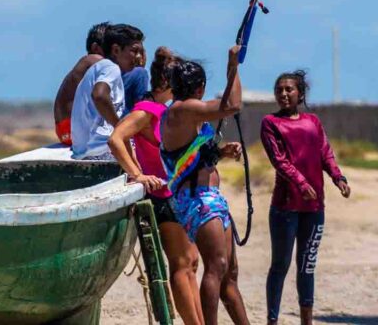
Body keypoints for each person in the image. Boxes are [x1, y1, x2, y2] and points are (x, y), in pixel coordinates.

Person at [107, 47, 204, 325]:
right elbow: (116, 139)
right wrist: (137, 174)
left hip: (177, 193)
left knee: (191, 263)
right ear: (168, 81)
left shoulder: (166, 110)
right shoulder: (147, 109)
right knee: (182, 264)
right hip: (162, 196)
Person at [161, 48, 250, 325]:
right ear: (199, 88)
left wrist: (220, 153)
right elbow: (232, 105)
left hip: (211, 198)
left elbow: (192, 153)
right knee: (216, 267)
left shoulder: (186, 113)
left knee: (229, 273)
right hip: (197, 200)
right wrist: (233, 65)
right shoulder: (183, 109)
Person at [261, 70, 350, 325]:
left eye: (289, 89)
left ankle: (306, 320)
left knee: (307, 266)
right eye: (279, 90)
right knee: (280, 265)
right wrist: (300, 183)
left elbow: (325, 153)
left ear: (300, 93)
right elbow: (279, 160)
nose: (284, 94)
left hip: (314, 208)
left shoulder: (313, 121)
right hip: (285, 207)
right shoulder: (270, 123)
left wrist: (338, 177)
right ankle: (272, 320)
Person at [69, 24, 145, 160]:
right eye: (134, 51)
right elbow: (99, 95)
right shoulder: (111, 68)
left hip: (85, 152)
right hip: (99, 152)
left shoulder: (100, 67)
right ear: (116, 50)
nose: (139, 57)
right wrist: (119, 127)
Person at [53, 22, 109, 145]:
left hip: (65, 132)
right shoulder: (93, 60)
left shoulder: (86, 66)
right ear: (95, 48)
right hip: (75, 131)